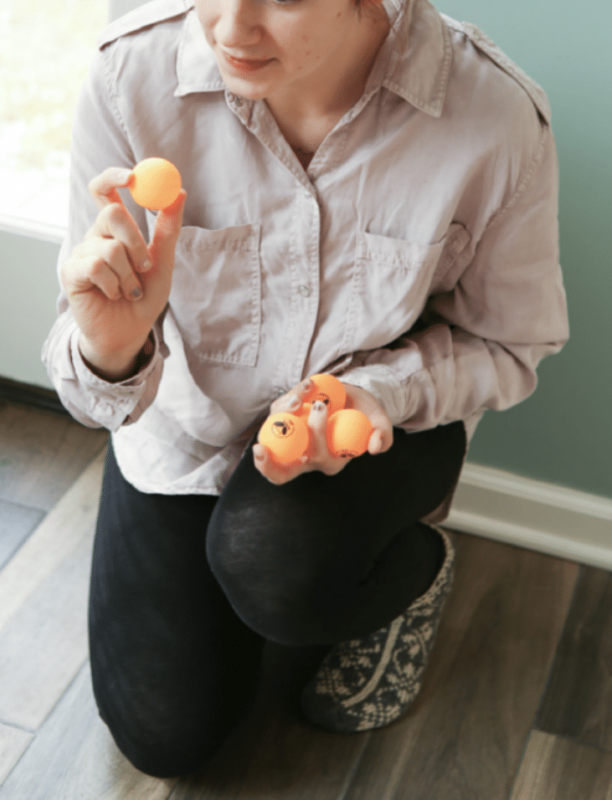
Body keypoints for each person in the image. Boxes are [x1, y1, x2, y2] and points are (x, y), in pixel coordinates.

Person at [42, 0, 568, 778]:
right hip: (185, 435)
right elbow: (96, 392)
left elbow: (510, 343)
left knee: (274, 564)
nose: (228, 29)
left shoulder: (493, 120)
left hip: (374, 436)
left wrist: (376, 394)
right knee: (165, 740)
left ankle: (411, 572)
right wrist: (109, 349)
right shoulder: (131, 79)